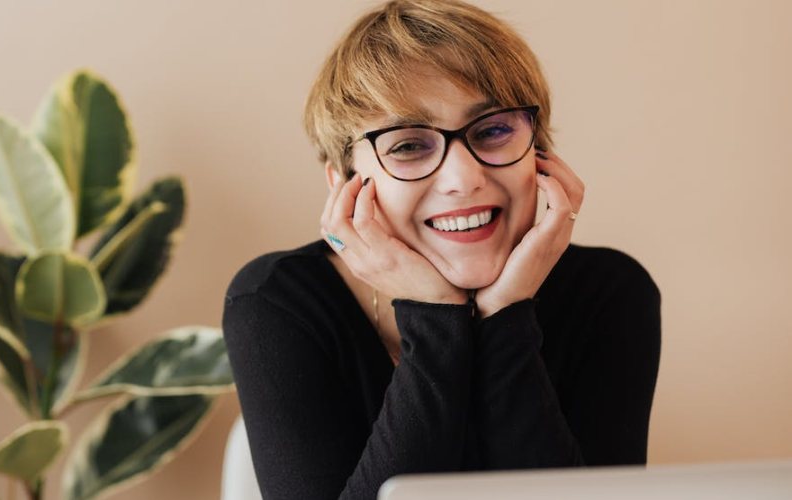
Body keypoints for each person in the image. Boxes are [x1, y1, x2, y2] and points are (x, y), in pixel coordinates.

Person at [222, 0, 661, 499]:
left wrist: (505, 317)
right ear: (344, 183)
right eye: (408, 145)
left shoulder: (609, 293)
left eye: (494, 130)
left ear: (540, 153)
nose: (463, 179)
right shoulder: (277, 302)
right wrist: (434, 319)